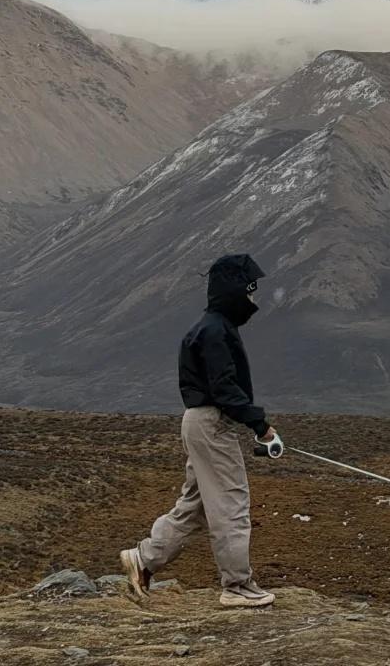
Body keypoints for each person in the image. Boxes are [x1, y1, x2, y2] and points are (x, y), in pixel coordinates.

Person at [120, 253, 279, 608]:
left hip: (202, 422)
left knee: (197, 505)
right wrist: (260, 425)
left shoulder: (213, 327)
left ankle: (143, 560)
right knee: (231, 502)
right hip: (211, 423)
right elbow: (224, 388)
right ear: (237, 291)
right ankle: (237, 586)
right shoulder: (216, 331)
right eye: (251, 290)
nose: (255, 299)